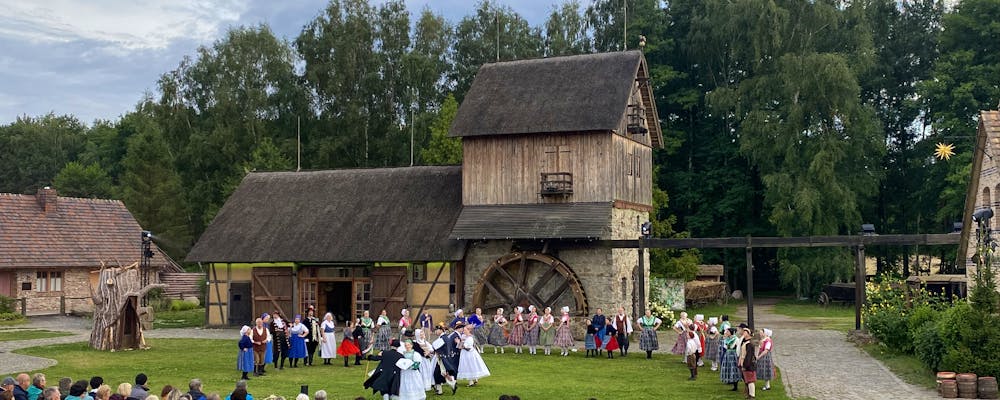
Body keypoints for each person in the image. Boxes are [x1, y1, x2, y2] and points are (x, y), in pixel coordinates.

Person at [414, 329, 446, 395]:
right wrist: (425, 353)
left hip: (426, 360)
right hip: (420, 360)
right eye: (420, 334)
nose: (422, 335)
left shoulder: (425, 342)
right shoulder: (416, 343)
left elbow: (432, 349)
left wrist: (429, 352)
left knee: (427, 373)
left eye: (422, 333)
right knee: (421, 373)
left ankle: (427, 386)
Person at [738, 327, 757, 399]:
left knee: (750, 380)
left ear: (749, 334)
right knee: (747, 380)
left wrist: (745, 365)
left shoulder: (749, 343)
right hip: (745, 363)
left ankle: (752, 395)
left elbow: (748, 356)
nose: (743, 333)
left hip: (749, 364)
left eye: (745, 332)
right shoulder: (745, 342)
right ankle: (749, 394)